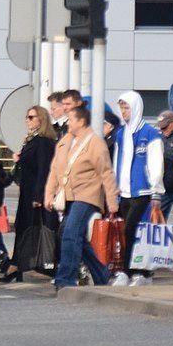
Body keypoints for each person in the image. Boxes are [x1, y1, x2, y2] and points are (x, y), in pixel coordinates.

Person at [43, 105, 119, 294]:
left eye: (71, 119)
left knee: (70, 233)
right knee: (73, 236)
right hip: (68, 195)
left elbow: (106, 173)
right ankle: (101, 274)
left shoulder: (95, 143)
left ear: (81, 121)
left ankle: (65, 278)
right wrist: (49, 194)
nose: (68, 123)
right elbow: (55, 169)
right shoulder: (65, 141)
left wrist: (112, 202)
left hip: (87, 195)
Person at [110, 92, 164, 285]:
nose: (124, 112)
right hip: (124, 192)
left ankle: (131, 271)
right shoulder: (121, 134)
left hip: (143, 191)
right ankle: (135, 272)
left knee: (134, 230)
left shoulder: (150, 134)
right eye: (122, 108)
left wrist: (156, 190)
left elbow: (156, 163)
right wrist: (115, 190)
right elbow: (117, 162)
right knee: (128, 232)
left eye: (127, 107)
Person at [2, 104, 55, 284]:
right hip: (27, 191)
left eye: (32, 117)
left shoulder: (43, 142)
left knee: (34, 227)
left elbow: (43, 170)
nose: (28, 120)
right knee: (23, 227)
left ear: (42, 119)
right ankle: (17, 263)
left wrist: (39, 195)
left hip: (34, 193)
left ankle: (27, 263)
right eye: (27, 116)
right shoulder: (31, 140)